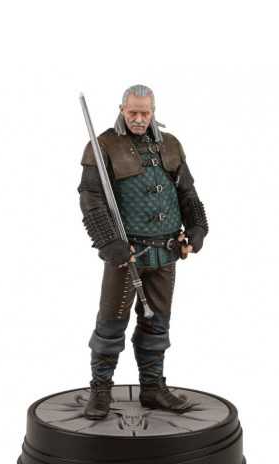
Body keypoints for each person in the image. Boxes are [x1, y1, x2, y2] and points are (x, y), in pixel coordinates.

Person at [77, 84, 208, 420]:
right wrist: (110, 244)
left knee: (157, 325)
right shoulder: (103, 146)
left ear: (153, 112)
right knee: (110, 326)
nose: (138, 118)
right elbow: (91, 199)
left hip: (166, 252)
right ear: (122, 109)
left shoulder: (170, 144)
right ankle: (101, 390)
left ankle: (152, 388)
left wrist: (197, 227)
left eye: (144, 112)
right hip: (127, 254)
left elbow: (187, 192)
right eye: (132, 111)